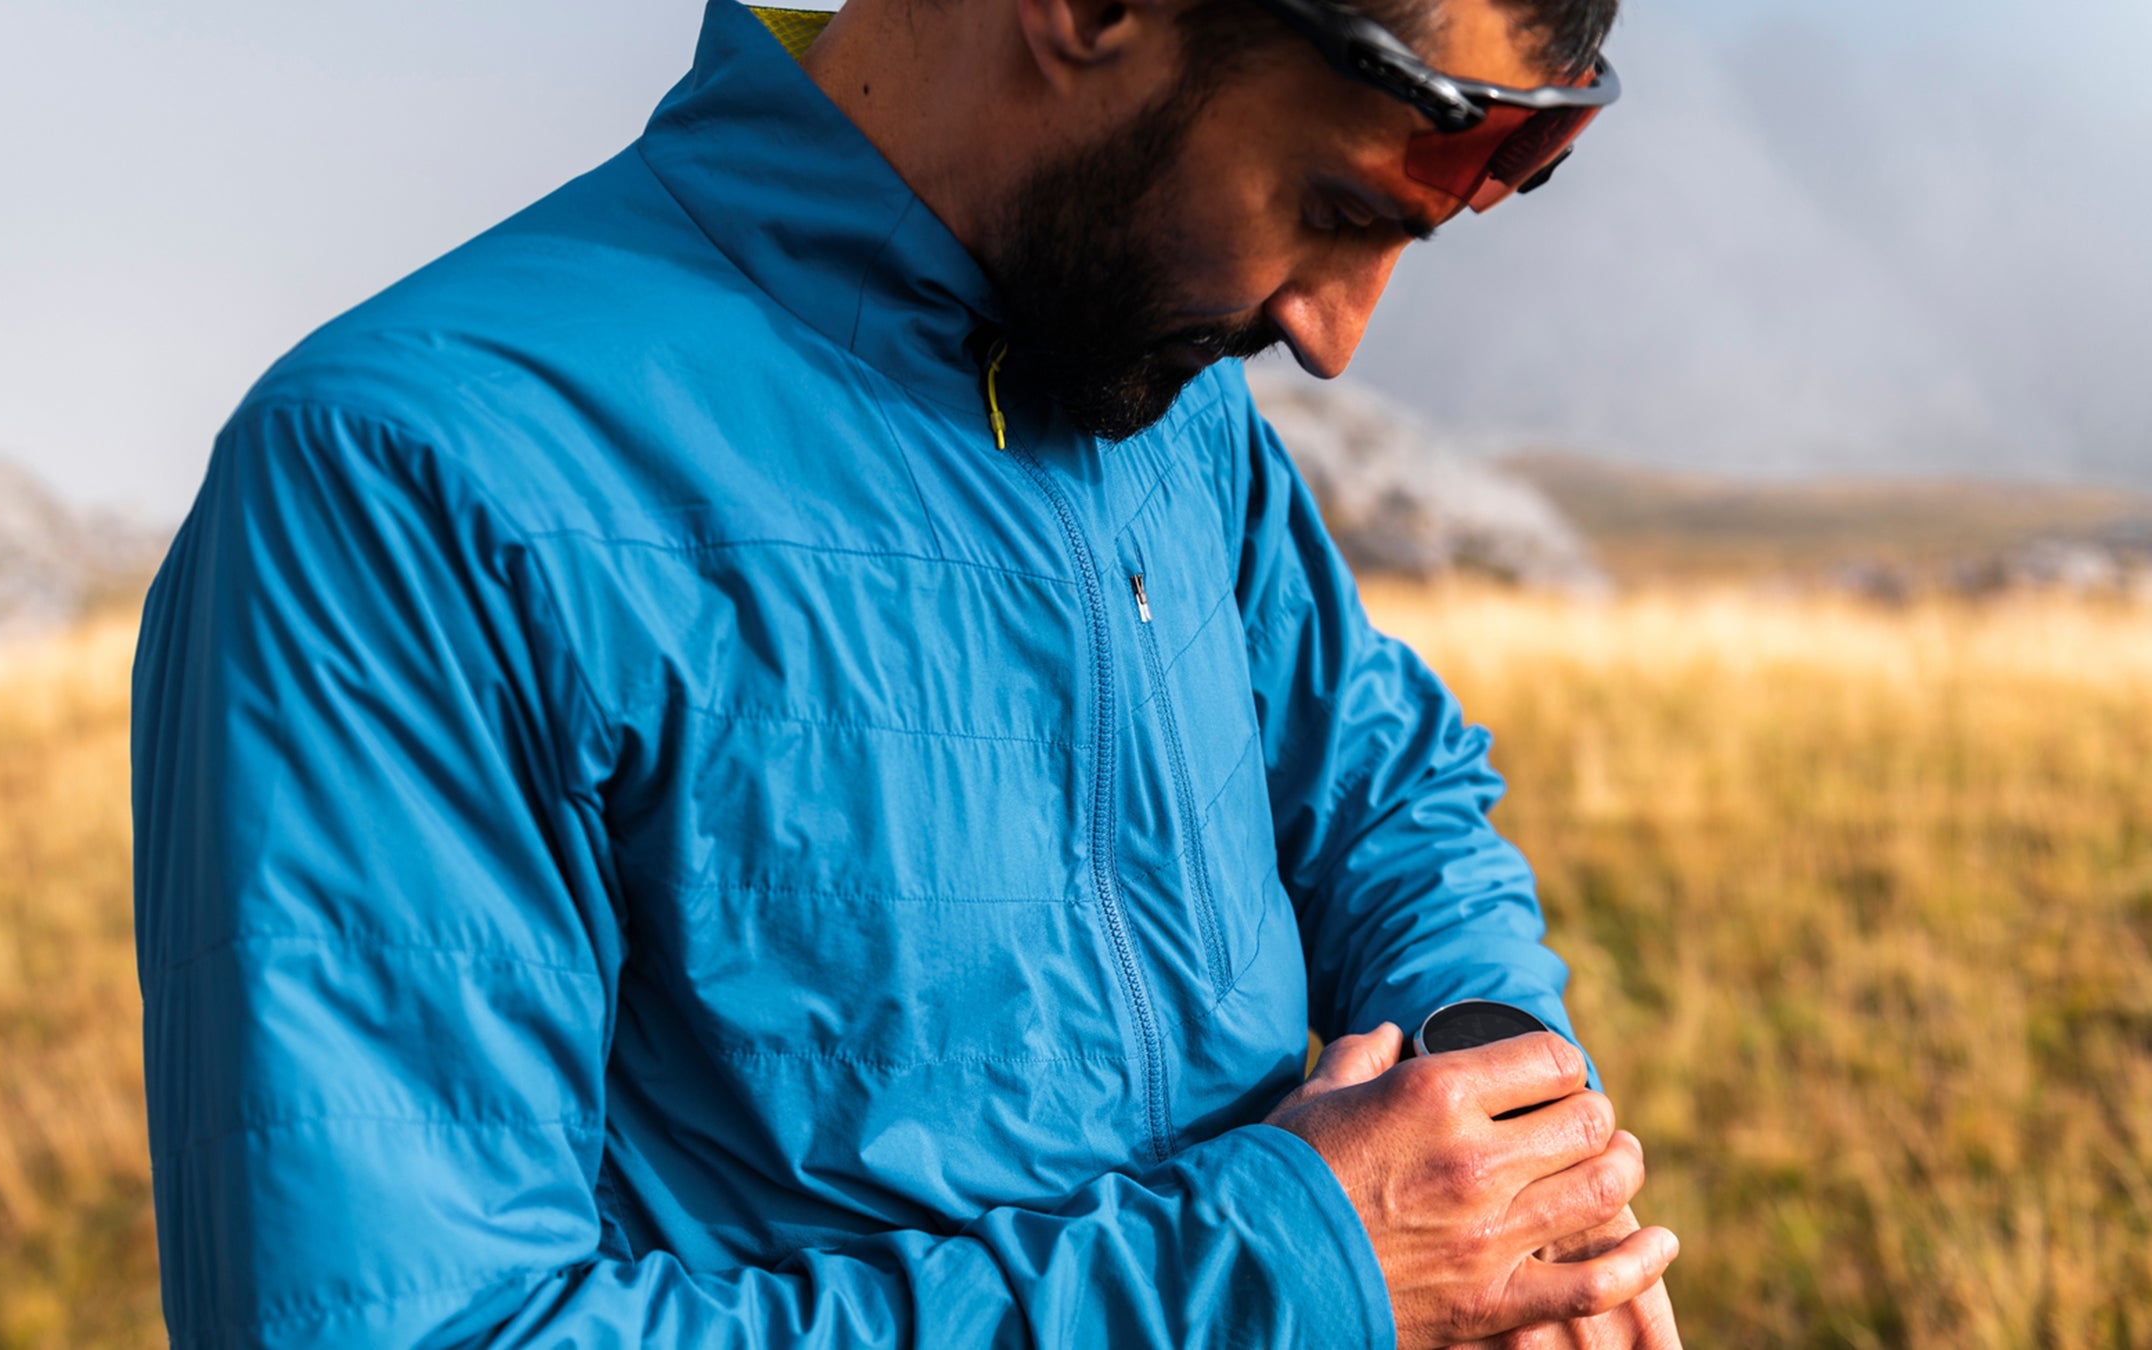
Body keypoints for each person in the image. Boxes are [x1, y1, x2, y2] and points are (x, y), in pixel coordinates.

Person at [131, 0, 1682, 1344]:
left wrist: (1499, 1131)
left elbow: (1378, 790)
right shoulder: (414, 482)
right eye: (1337, 206)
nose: (1335, 336)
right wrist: (1293, 1270)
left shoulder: (1149, 385)